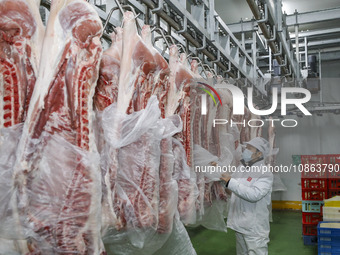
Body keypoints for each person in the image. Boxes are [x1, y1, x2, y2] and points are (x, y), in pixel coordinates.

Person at [220, 137, 273, 255]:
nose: (245, 150)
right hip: (239, 223)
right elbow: (233, 189)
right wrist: (220, 176)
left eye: (249, 148)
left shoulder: (265, 173)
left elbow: (254, 195)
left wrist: (230, 182)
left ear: (259, 153)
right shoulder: (242, 168)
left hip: (254, 227)